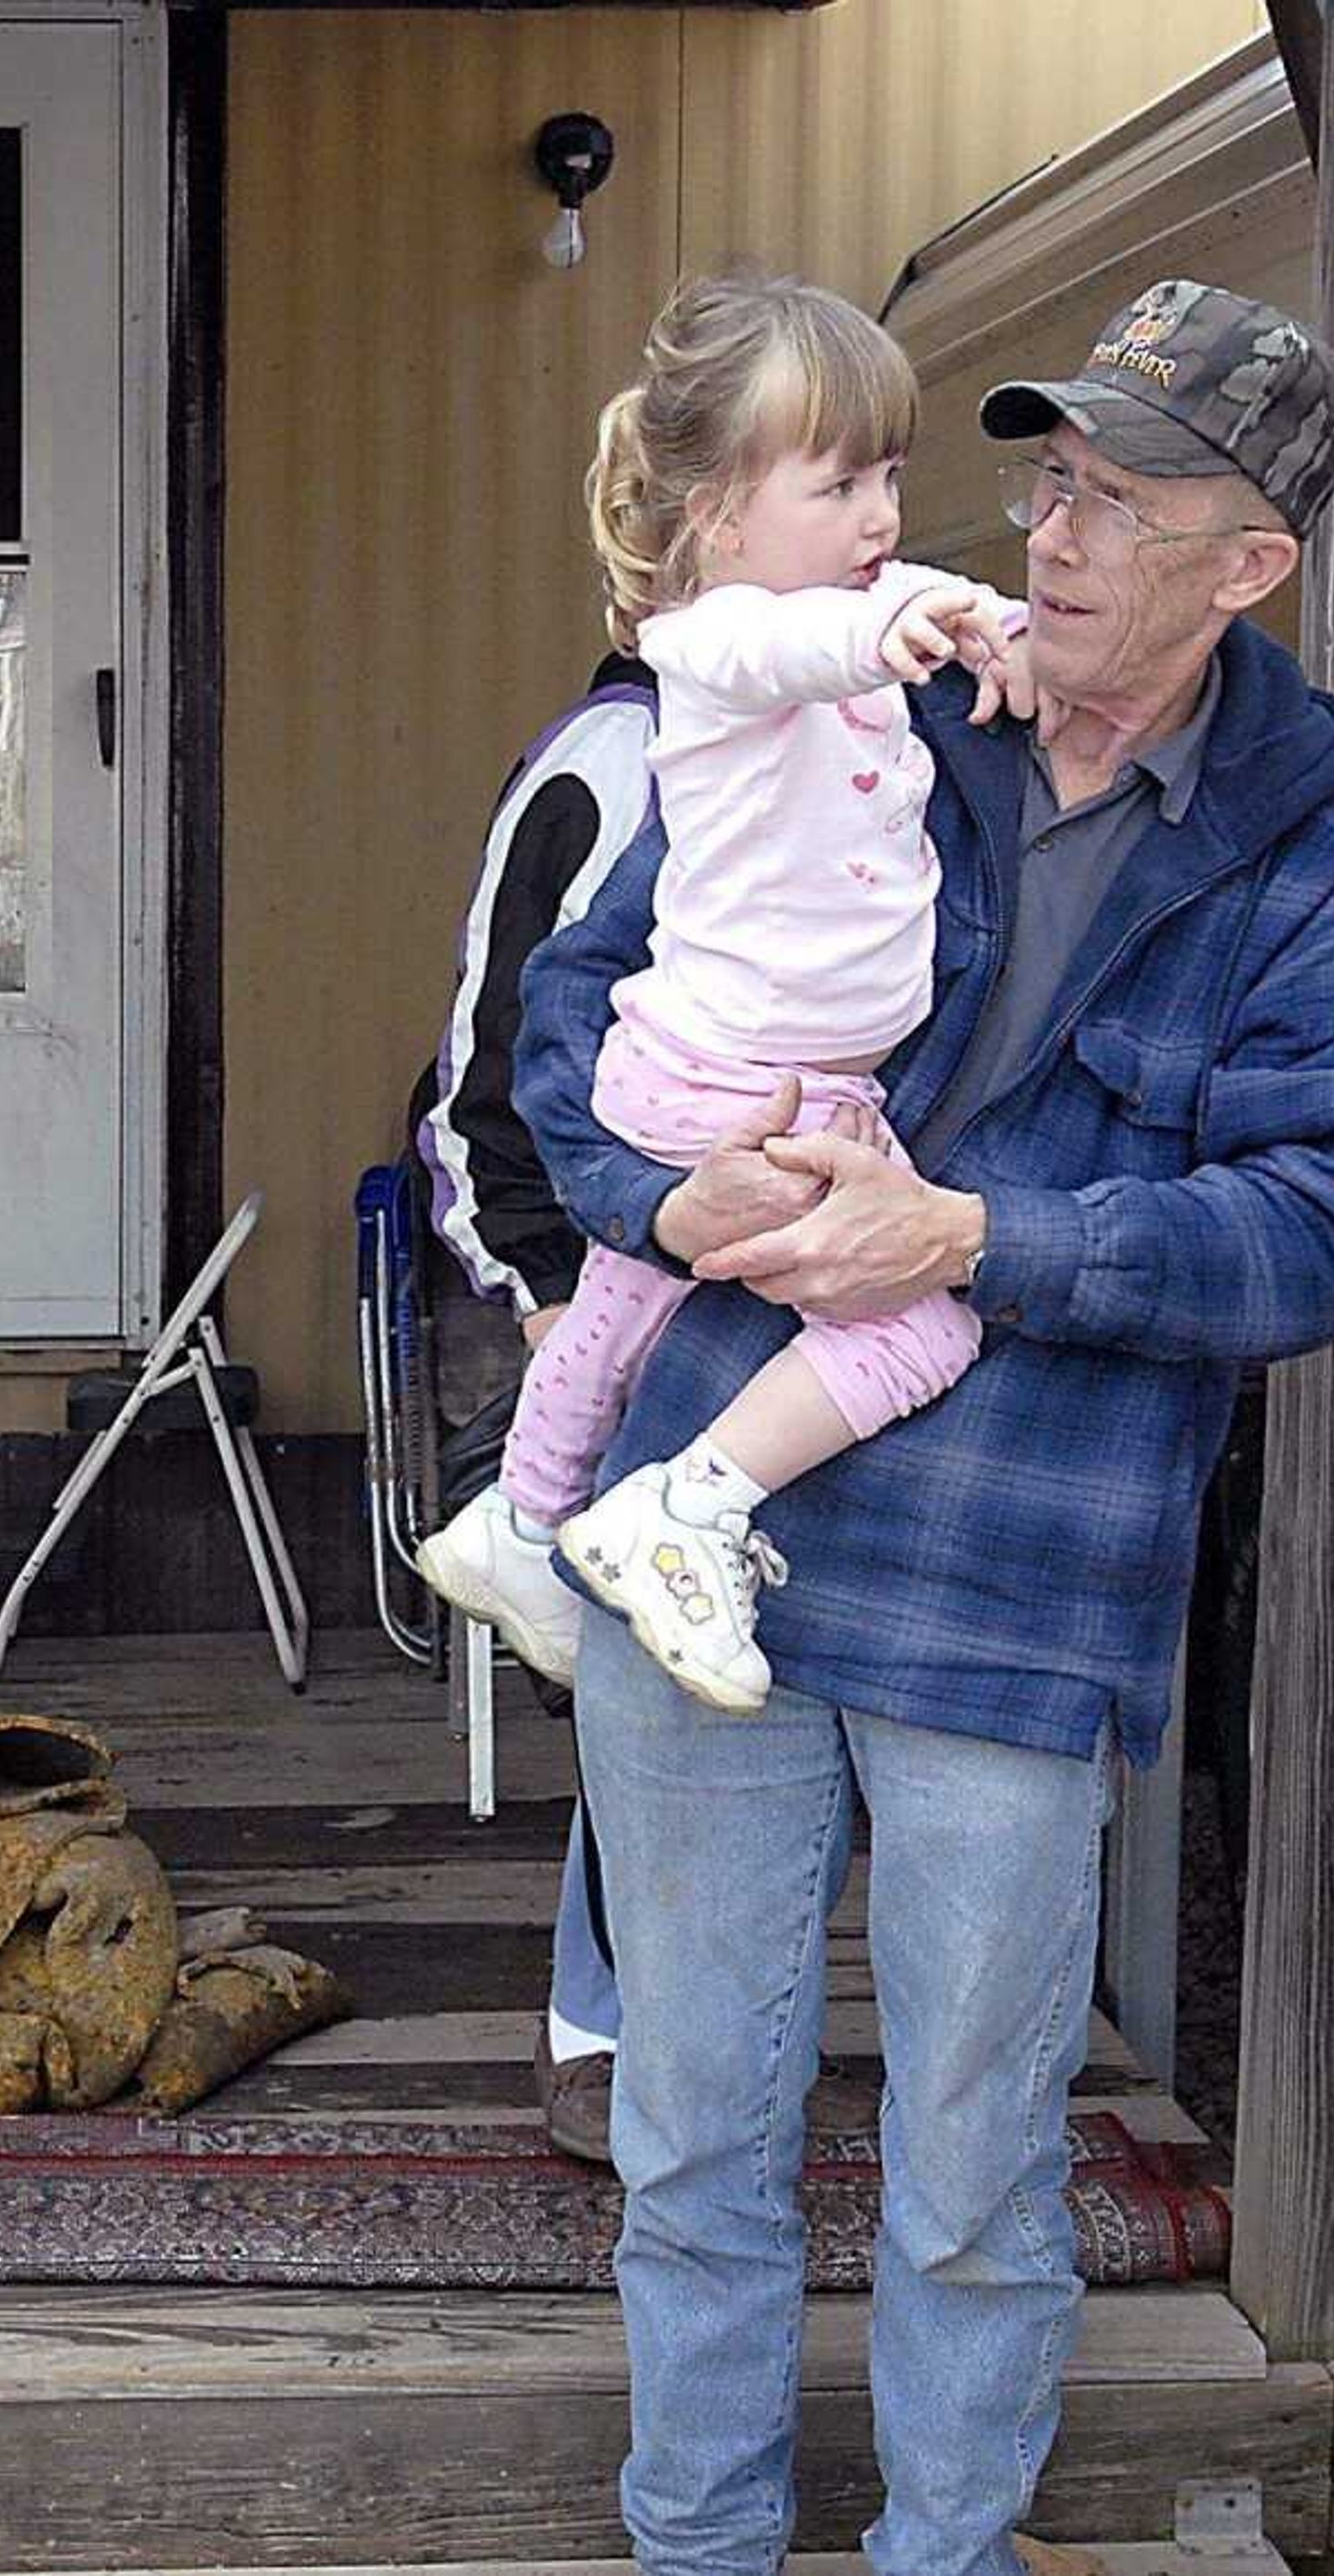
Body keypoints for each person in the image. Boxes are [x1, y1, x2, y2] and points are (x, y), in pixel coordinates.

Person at [517, 276, 1334, 2574]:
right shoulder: (876, 704)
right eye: (1044, 474)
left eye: (1119, 498)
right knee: (696, 2145)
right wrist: (662, 1188)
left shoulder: (1320, 874)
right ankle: (699, 2547)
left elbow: (1321, 1232)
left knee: (970, 2179)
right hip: (703, 1545)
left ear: (1253, 564)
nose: (1049, 529)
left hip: (1022, 1592)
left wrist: (974, 1239)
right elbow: (578, 1006)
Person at [417, 277, 1028, 1714]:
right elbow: (802, 644)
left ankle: (521, 1521)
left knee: (624, 1305)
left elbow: (887, 619)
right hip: (746, 1075)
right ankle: (690, 1503)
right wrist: (906, 627)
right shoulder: (714, 647)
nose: (880, 516)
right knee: (921, 1327)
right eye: (837, 484)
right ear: (718, 522)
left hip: (744, 1070)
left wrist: (985, 624)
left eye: (891, 475)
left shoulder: (852, 630)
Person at [406, 601, 659, 2162]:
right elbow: (486, 1065)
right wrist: (546, 1288)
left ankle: (679, 2028)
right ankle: (602, 2025)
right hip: (610, 1290)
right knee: (644, 1683)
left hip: (779, 1267)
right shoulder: (612, 764)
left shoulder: (841, 737)